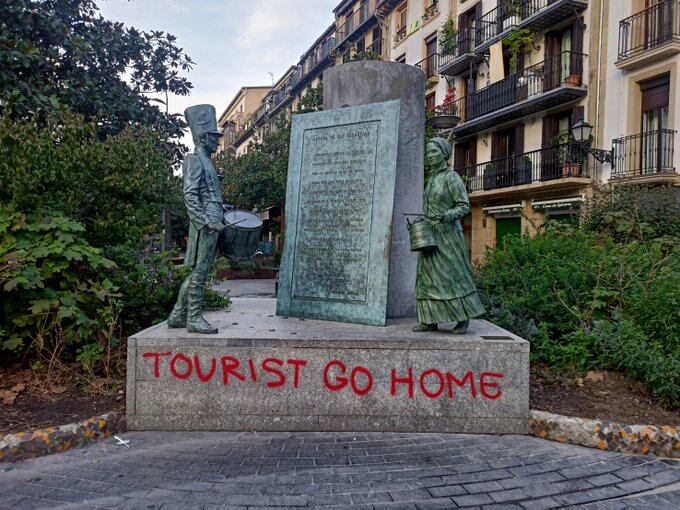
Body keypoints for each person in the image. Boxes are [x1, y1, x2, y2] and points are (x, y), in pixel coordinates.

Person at [413, 137, 485, 334]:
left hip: (448, 236)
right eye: (427, 153)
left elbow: (463, 206)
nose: (429, 156)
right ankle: (430, 320)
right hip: (430, 235)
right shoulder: (432, 178)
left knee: (452, 277)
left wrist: (446, 216)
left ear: (444, 154)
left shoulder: (451, 177)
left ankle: (462, 318)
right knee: (427, 278)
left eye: (433, 152)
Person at [167, 104, 228, 334]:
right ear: (203, 137)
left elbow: (209, 193)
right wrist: (205, 221)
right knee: (200, 271)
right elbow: (190, 194)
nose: (217, 141)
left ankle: (177, 315)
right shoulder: (193, 160)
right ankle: (193, 318)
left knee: (200, 270)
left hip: (212, 217)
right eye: (214, 137)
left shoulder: (208, 161)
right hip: (205, 222)